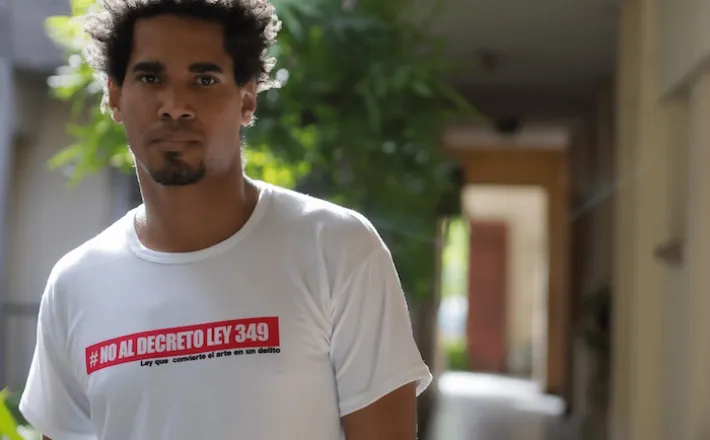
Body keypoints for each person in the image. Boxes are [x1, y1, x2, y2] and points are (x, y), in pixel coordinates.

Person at [18, 1, 432, 439]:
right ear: (115, 95)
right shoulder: (75, 284)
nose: (174, 106)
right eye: (150, 77)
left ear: (247, 98)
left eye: (204, 80)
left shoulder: (337, 249)